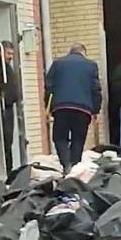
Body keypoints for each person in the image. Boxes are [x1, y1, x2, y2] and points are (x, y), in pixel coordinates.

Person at [45, 43, 102, 172]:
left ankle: (66, 164)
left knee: (59, 137)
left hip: (61, 107)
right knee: (78, 138)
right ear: (83, 53)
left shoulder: (58, 63)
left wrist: (48, 106)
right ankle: (75, 166)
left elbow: (49, 86)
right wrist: (96, 110)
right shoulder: (91, 65)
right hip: (83, 109)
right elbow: (96, 89)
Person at [0, 40, 20, 174]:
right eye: (8, 53)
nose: (10, 56)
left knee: (8, 140)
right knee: (5, 139)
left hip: (8, 106)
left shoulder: (7, 67)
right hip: (2, 107)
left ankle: (9, 169)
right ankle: (7, 170)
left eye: (12, 54)